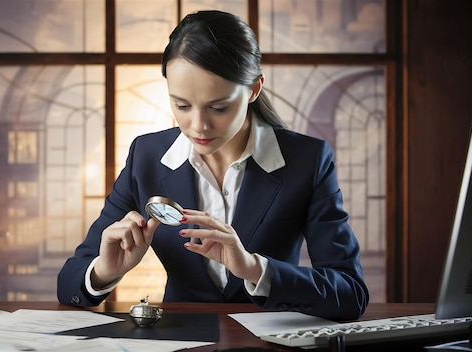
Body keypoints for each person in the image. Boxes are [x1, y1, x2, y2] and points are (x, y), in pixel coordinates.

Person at [57, 9, 369, 321]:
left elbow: (350, 293)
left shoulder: (307, 160)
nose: (198, 126)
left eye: (218, 107)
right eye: (181, 105)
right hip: (179, 339)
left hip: (271, 340)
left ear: (253, 90)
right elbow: (68, 282)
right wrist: (103, 271)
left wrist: (254, 269)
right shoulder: (147, 157)